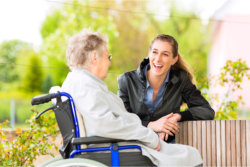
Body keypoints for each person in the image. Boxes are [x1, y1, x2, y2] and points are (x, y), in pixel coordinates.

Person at [57, 29, 202, 166]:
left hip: (119, 143)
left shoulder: (82, 82)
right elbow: (106, 125)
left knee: (186, 153)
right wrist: (150, 137)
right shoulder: (85, 85)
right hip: (116, 148)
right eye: (108, 56)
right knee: (190, 155)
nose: (109, 62)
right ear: (95, 57)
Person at [118, 34, 215, 143]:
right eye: (154, 52)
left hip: (167, 147)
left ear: (174, 59)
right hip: (134, 146)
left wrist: (177, 116)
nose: (158, 59)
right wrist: (151, 125)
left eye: (165, 54)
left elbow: (207, 111)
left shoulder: (181, 80)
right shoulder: (127, 81)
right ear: (149, 54)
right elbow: (121, 119)